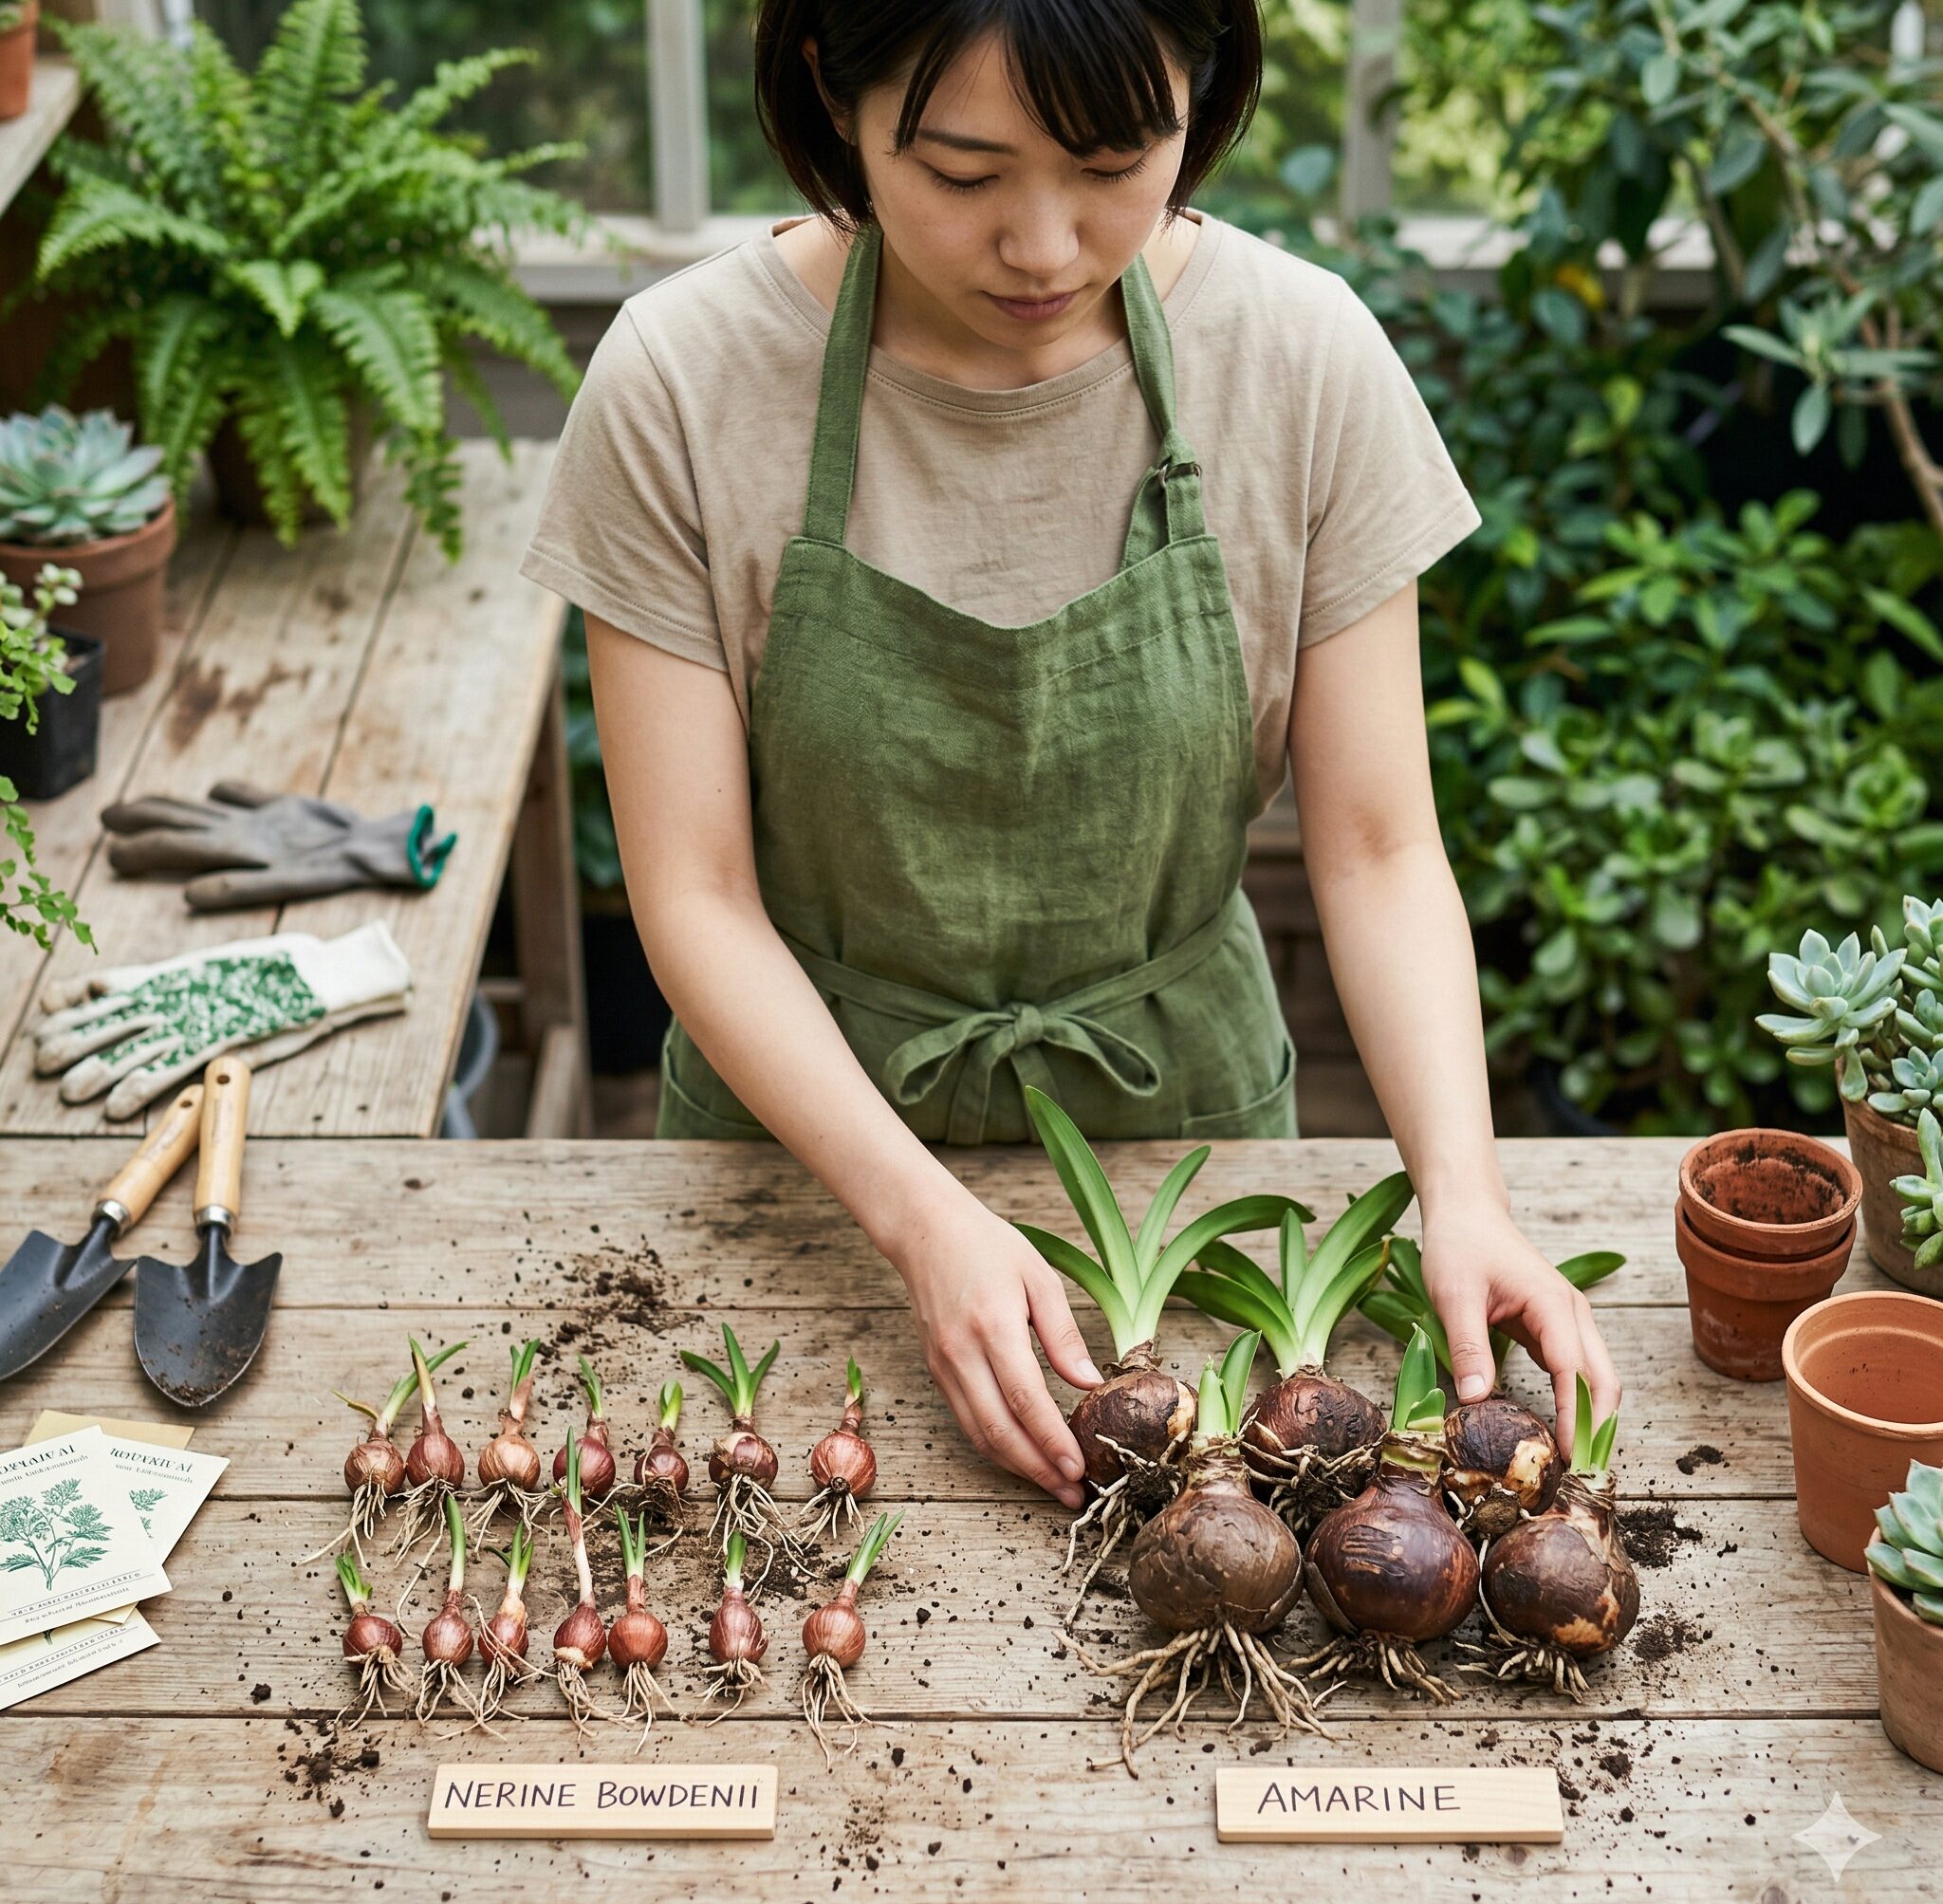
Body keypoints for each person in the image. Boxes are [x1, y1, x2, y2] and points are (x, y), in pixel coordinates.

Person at [521, 0, 1620, 1513]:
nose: (1044, 246)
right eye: (964, 174)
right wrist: (922, 1220)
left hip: (1190, 1153)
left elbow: (1378, 852)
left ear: (1201, 94)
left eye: (1114, 163)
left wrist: (1466, 1189)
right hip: (798, 1174)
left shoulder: (1300, 360)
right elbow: (695, 894)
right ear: (832, 95)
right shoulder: (683, 379)